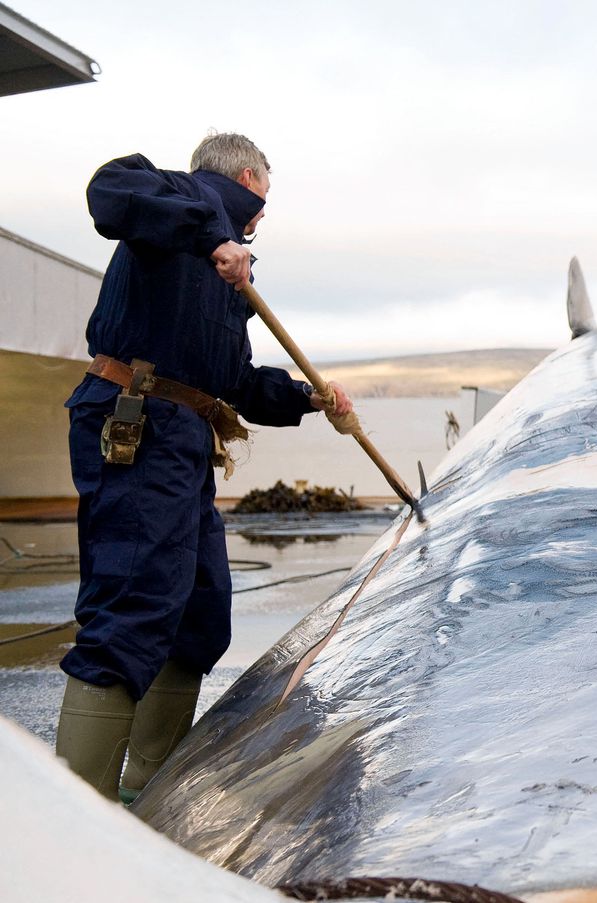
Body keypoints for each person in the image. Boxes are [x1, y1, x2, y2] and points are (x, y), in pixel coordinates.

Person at [55, 132, 353, 804]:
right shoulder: (180, 195)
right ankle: (79, 811)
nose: (261, 215)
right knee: (131, 607)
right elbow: (109, 190)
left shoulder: (230, 276)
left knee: (199, 610)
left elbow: (235, 379)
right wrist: (214, 232)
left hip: (183, 434)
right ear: (247, 178)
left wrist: (307, 400)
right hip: (135, 421)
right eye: (262, 199)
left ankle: (148, 786)